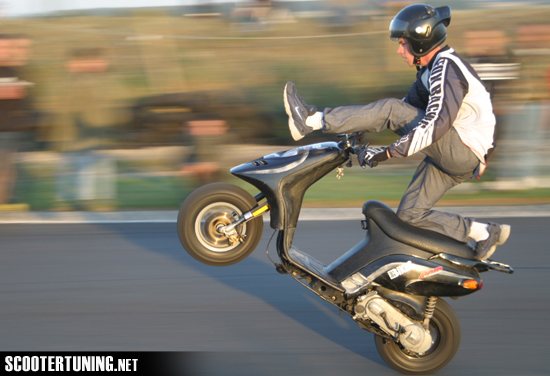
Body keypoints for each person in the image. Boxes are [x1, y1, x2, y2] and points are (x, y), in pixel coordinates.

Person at [283, 4, 510, 261]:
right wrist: (358, 133)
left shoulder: (447, 68)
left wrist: (387, 153)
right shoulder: (428, 71)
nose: (399, 49)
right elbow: (405, 114)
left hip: (459, 150)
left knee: (392, 108)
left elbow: (434, 123)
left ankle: (311, 120)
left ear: (421, 42)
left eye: (403, 43)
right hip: (459, 152)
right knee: (409, 216)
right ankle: (483, 232)